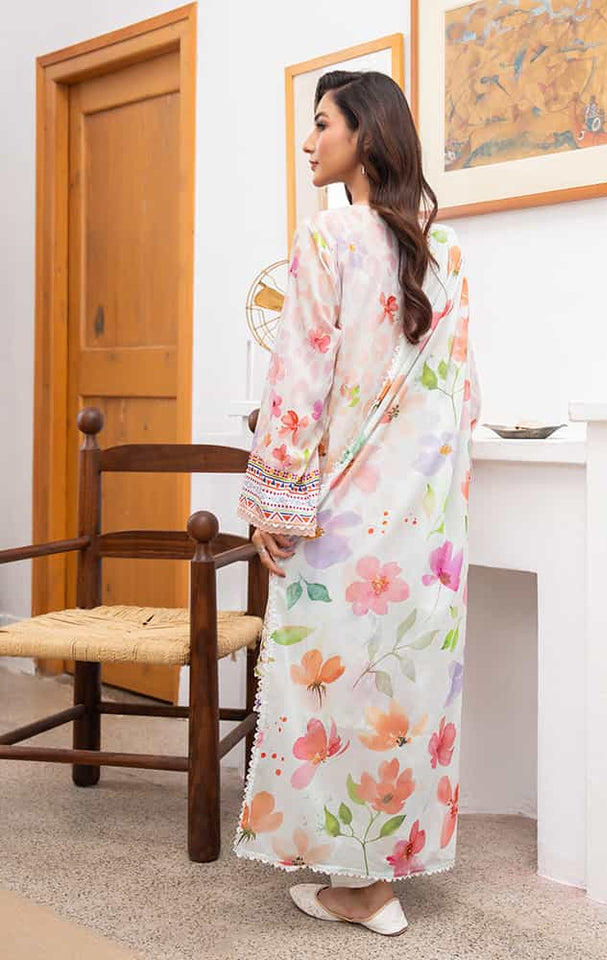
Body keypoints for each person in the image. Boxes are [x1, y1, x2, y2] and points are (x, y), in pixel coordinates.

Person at [232, 69, 481, 937]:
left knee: (328, 685)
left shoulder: (329, 235)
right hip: (425, 523)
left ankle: (363, 889)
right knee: (401, 686)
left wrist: (274, 504)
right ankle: (377, 875)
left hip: (342, 511)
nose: (309, 142)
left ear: (364, 135)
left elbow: (299, 380)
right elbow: (465, 398)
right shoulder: (447, 251)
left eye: (322, 124)